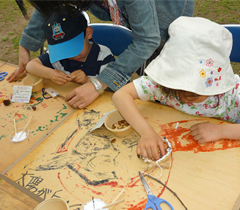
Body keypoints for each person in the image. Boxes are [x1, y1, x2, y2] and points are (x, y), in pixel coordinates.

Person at [8, 0, 194, 109]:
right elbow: (52, 4)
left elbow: (147, 39)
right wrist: (26, 45)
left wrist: (98, 83)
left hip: (165, 20)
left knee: (167, 83)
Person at [112, 16, 240, 160]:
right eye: (176, 92)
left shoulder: (232, 93)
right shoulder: (162, 85)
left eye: (194, 95)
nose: (184, 99)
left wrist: (221, 131)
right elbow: (120, 96)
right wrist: (146, 132)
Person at [26, 10, 115, 87]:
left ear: (88, 33)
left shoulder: (104, 56)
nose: (71, 55)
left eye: (74, 48)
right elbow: (30, 66)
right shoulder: (59, 56)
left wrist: (87, 80)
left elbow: (115, 85)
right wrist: (50, 74)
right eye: (64, 50)